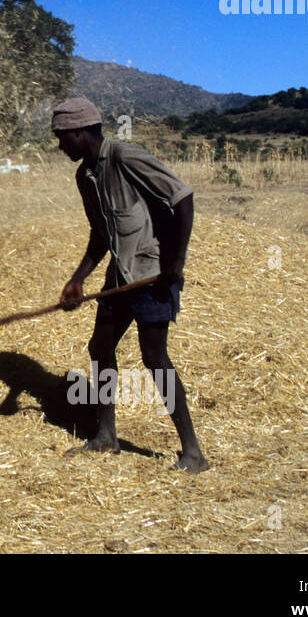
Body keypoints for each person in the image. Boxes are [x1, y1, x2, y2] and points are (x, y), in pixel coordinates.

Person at [52, 97, 209, 473]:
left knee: (154, 357)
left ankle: (193, 453)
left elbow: (182, 197)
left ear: (80, 132)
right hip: (119, 277)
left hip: (152, 271)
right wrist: (78, 278)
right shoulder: (84, 177)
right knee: (100, 345)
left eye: (61, 138)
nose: (59, 146)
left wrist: (177, 259)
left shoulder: (125, 157)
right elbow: (100, 235)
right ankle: (107, 437)